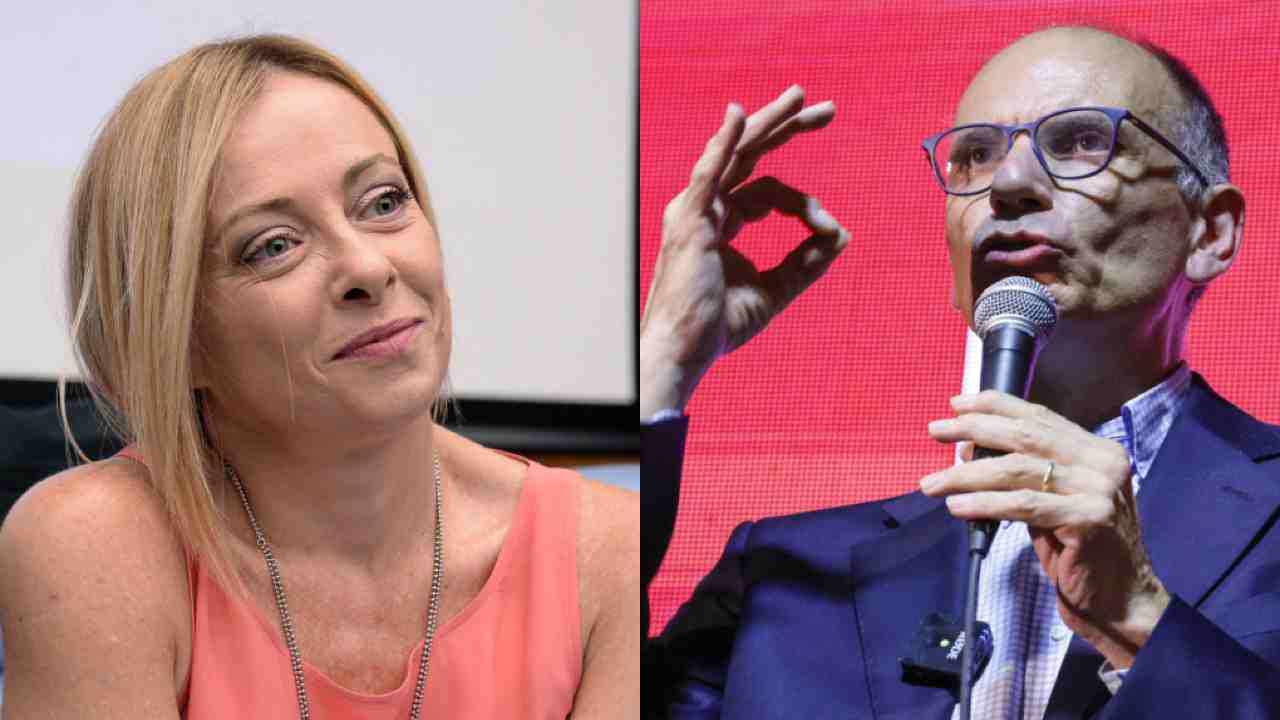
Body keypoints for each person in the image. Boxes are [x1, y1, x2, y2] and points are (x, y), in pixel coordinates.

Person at [641, 26, 1280, 719]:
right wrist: (663, 358)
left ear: (1210, 232)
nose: (1008, 184)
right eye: (975, 155)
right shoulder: (784, 575)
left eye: (1079, 142)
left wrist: (1139, 619)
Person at [0, 34, 637, 718]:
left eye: (383, 202)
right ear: (175, 338)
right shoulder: (93, 547)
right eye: (273, 246)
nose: (368, 268)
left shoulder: (610, 552)